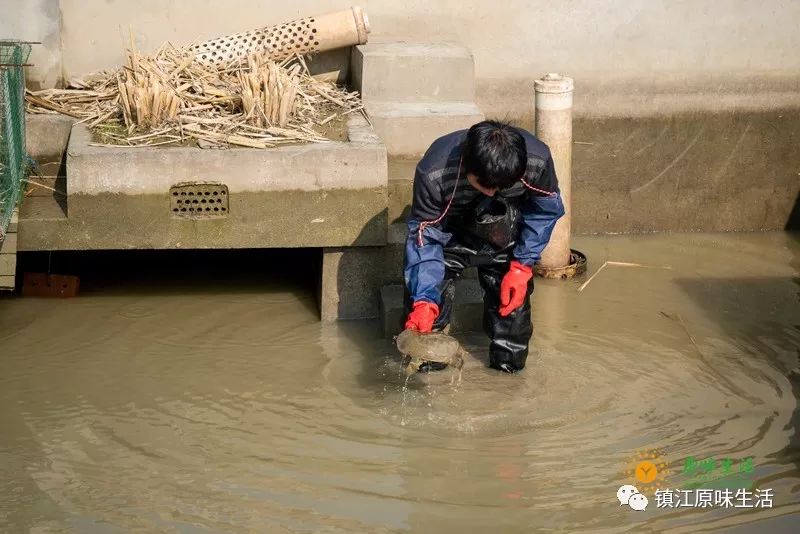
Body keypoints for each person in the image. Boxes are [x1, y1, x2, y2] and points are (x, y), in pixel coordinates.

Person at [402, 120, 565, 374]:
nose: (491, 193)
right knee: (426, 323)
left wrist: (522, 266)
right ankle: (429, 372)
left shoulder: (537, 160)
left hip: (506, 232)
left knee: (513, 321)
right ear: (467, 165)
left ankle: (508, 383)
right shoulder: (434, 172)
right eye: (484, 185)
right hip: (448, 235)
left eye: (500, 186)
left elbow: (544, 212)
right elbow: (426, 238)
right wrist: (424, 300)